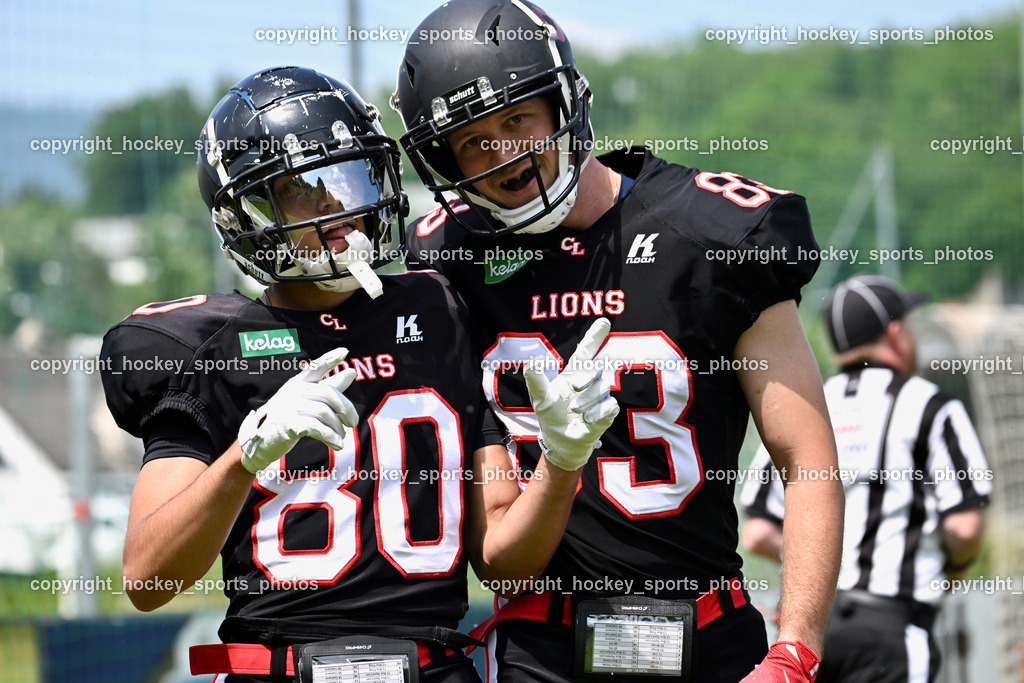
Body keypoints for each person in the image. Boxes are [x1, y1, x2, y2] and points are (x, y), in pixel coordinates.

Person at [100, 66, 618, 683]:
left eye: (347, 176)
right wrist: (243, 457)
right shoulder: (204, 347)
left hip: (435, 667)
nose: (335, 204)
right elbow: (147, 580)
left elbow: (503, 567)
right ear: (247, 216)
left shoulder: (443, 310)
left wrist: (563, 462)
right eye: (302, 187)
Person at [390, 2, 844, 681]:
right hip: (540, 647)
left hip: (710, 636)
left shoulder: (713, 231)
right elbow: (497, 550)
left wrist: (796, 647)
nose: (505, 155)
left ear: (563, 104)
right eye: (475, 140)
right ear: (441, 157)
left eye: (517, 120)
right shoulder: (450, 255)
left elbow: (805, 455)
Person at [740, 274, 990, 683]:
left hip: (809, 631)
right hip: (891, 627)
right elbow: (964, 528)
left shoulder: (808, 403)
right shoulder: (929, 405)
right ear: (896, 334)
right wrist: (953, 568)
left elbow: (757, 533)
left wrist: (822, 564)